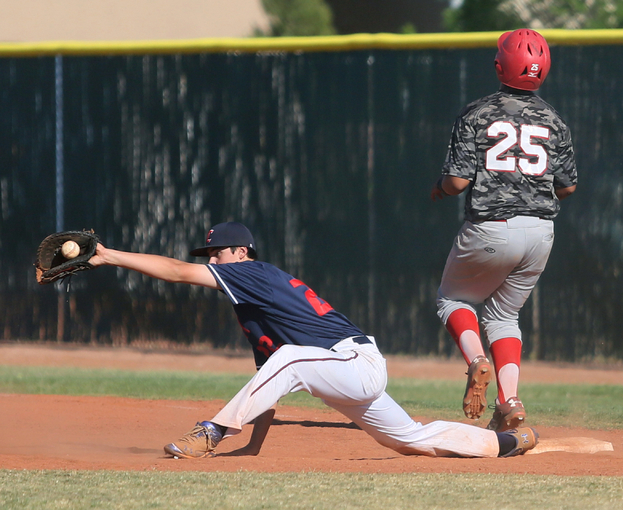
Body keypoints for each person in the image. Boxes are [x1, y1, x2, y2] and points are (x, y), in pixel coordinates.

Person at [88, 221, 538, 459]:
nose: (212, 260)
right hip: (340, 371)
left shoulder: (252, 274)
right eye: (209, 256)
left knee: (290, 358)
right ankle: (507, 443)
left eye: (216, 253)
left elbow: (176, 272)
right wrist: (256, 445)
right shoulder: (251, 307)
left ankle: (211, 432)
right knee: (408, 440)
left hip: (354, 361)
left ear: (241, 253)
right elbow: (269, 376)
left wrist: (109, 256)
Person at [430, 29, 577, 432]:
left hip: (490, 229)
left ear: (499, 65)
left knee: (452, 299)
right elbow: (567, 187)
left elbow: (458, 181)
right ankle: (508, 401)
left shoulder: (476, 113)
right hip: (541, 233)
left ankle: (476, 361)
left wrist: (440, 188)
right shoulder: (554, 120)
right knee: (505, 315)